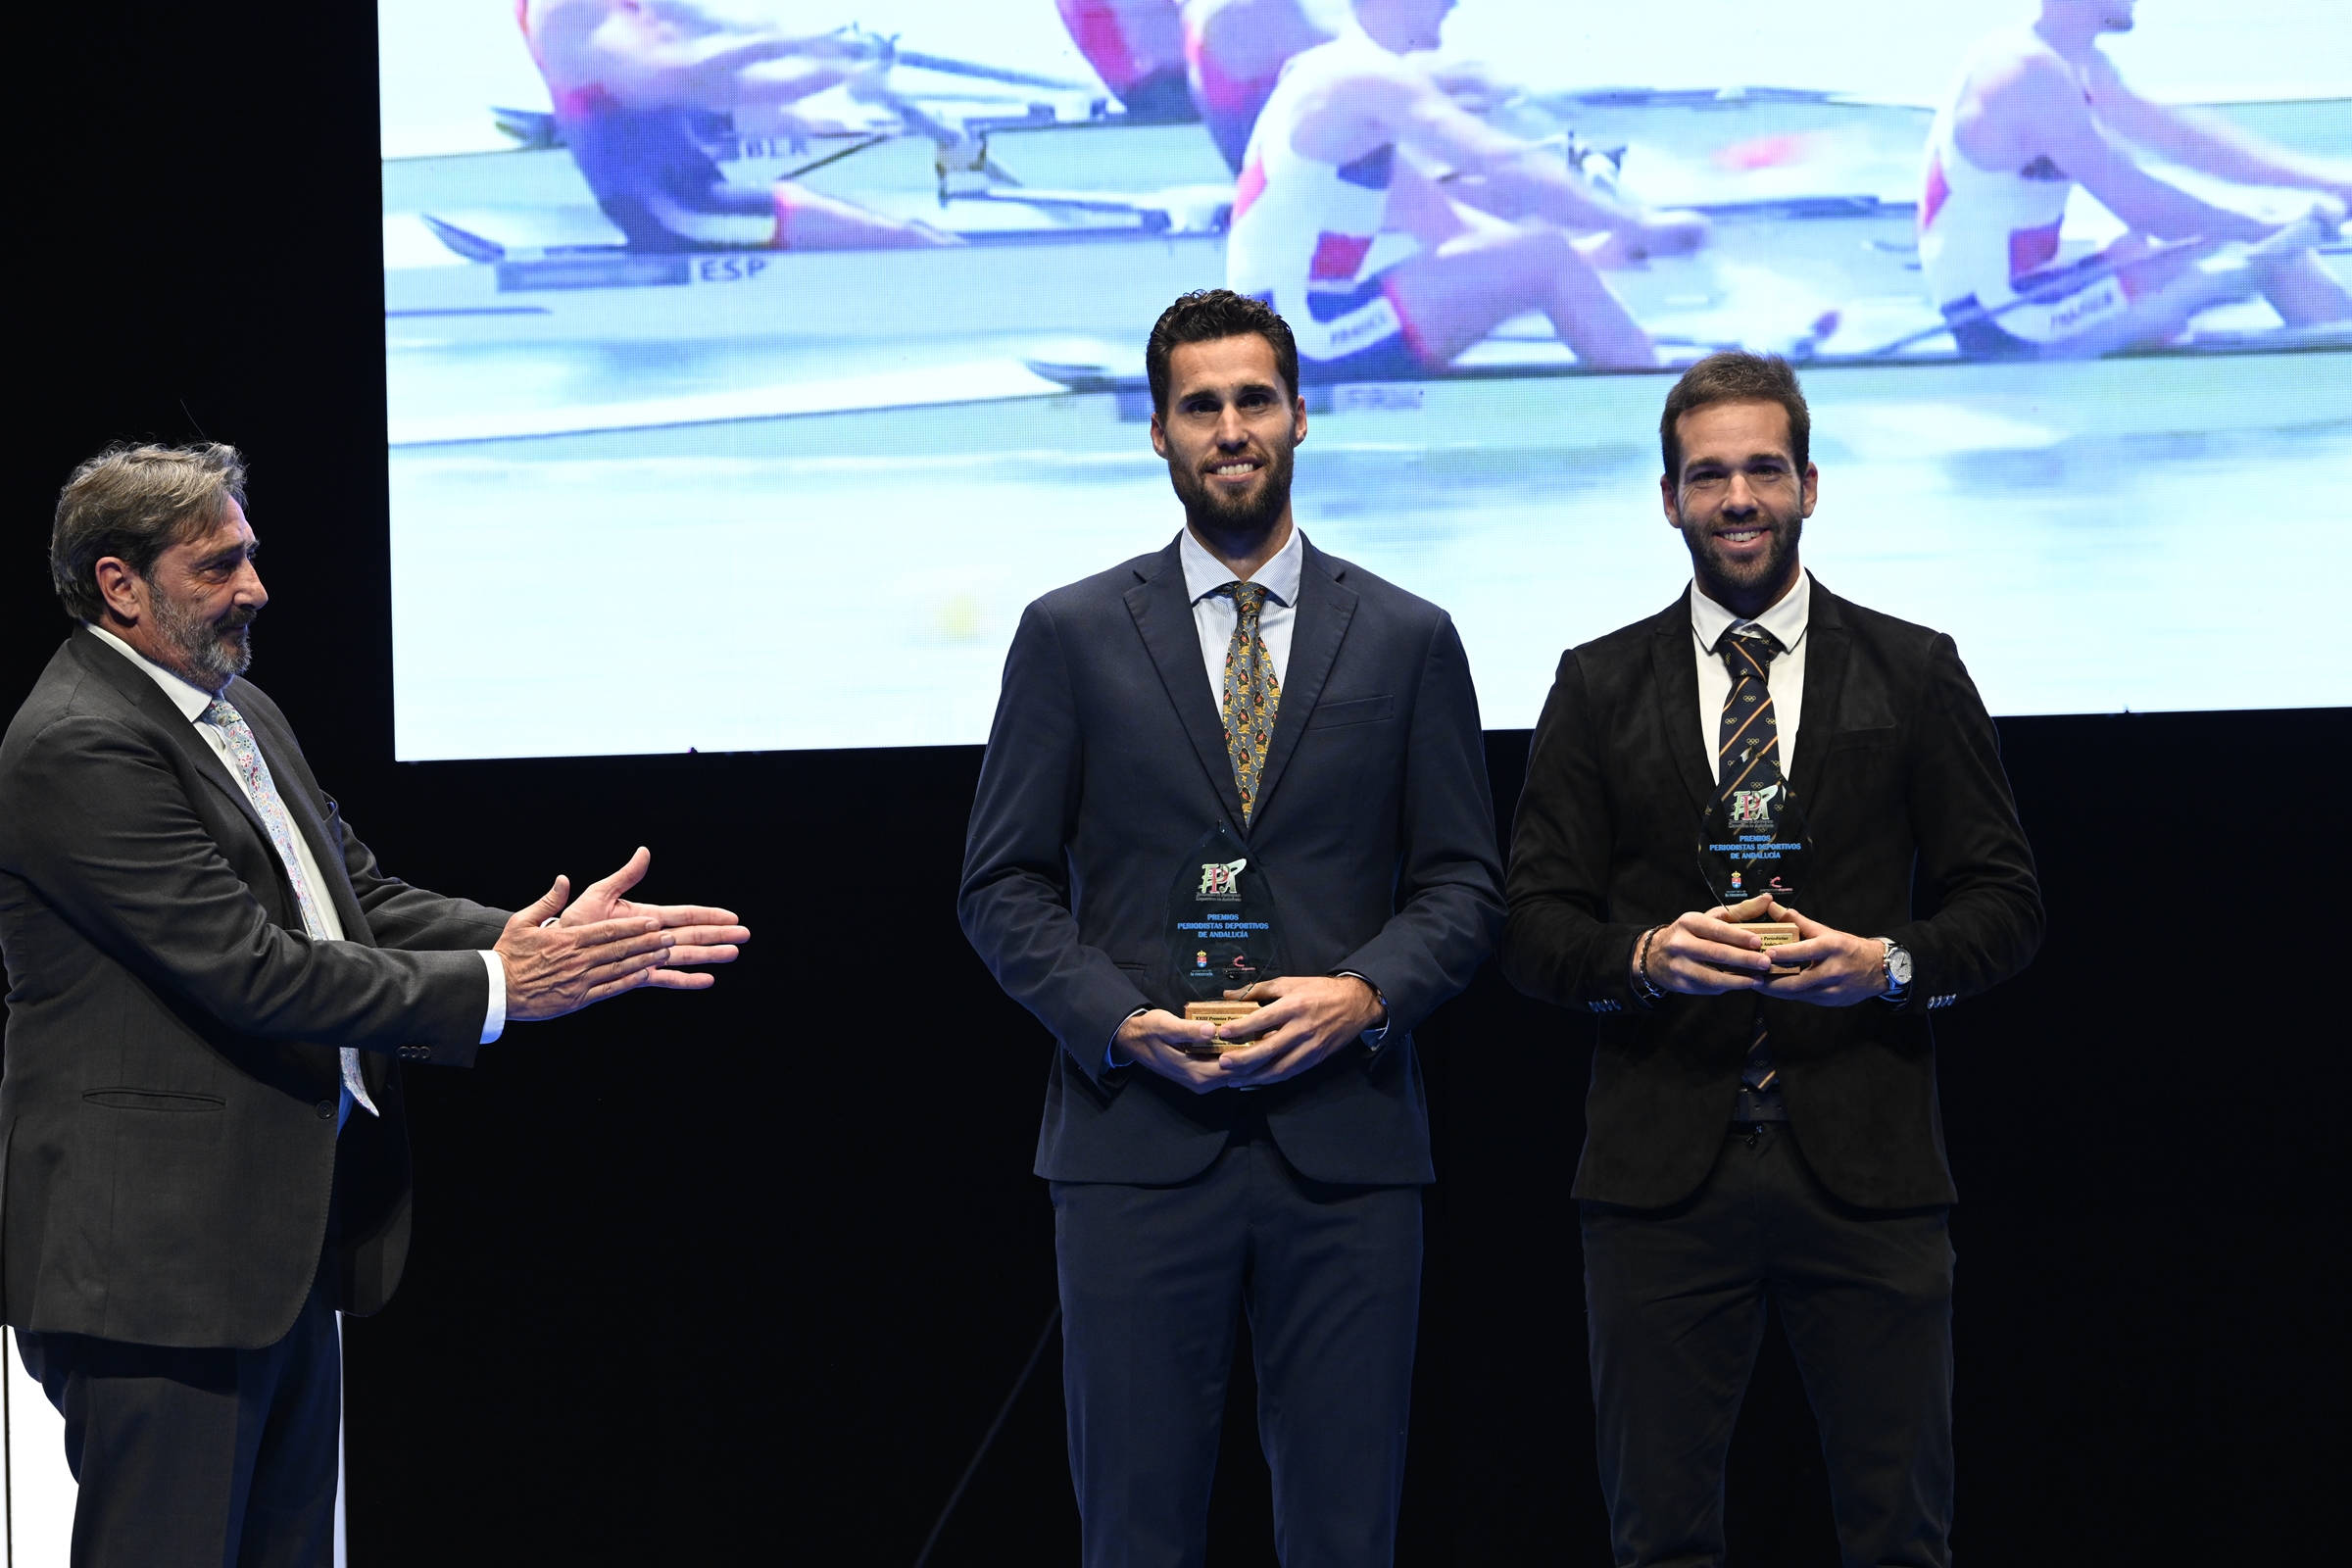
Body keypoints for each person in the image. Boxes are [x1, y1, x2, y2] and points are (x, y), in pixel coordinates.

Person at [0, 442, 751, 1566]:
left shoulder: (238, 708)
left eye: (251, 555)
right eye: (217, 565)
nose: (255, 587)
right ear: (120, 584)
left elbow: (358, 901)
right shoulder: (80, 742)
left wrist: (531, 939)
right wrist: (501, 988)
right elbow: (253, 970)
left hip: (267, 1245)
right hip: (155, 1271)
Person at [959, 289, 1501, 1565]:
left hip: (1347, 1149)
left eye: (1254, 399)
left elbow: (1467, 887)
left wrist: (1362, 996)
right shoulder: (1069, 635)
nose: (1231, 428)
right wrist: (1117, 1022)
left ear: (1301, 415)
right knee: (1136, 1534)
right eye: (1200, 406)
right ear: (1158, 432)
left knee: (1346, 1534)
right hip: (1136, 1144)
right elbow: (1000, 885)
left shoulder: (1409, 637)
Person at [1499, 353, 2044, 1567]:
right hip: (1658, 1176)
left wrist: (1887, 963)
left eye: (1762, 469)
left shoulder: (1914, 668)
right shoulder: (1595, 683)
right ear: (1668, 498)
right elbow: (1531, 926)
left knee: (1900, 1539)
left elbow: (2007, 905)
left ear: (1809, 485)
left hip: (1870, 1164)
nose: (1737, 497)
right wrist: (1644, 955)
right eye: (1709, 475)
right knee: (1659, 1542)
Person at [1227, 0, 1707, 376]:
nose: (1455, 4)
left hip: (1285, 336)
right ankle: (1658, 402)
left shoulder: (1328, 80)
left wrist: (1593, 254)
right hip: (1302, 338)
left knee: (1545, 255)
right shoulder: (1362, 77)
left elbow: (1443, 223)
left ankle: (1641, 371)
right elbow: (1499, 161)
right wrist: (1636, 224)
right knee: (1542, 258)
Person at [1920, 0, 2351, 358]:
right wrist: (2265, 230)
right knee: (2267, 252)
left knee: (2246, 235)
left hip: (2031, 292)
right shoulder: (2026, 74)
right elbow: (2145, 210)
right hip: (2003, 320)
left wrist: (2331, 182)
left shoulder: (2079, 65)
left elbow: (2192, 145)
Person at [517, 0, 956, 251]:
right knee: (912, 243)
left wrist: (835, 62)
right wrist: (808, 54)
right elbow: (680, 73)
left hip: (691, 189)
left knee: (906, 231)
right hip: (673, 211)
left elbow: (724, 53)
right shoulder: (568, 10)